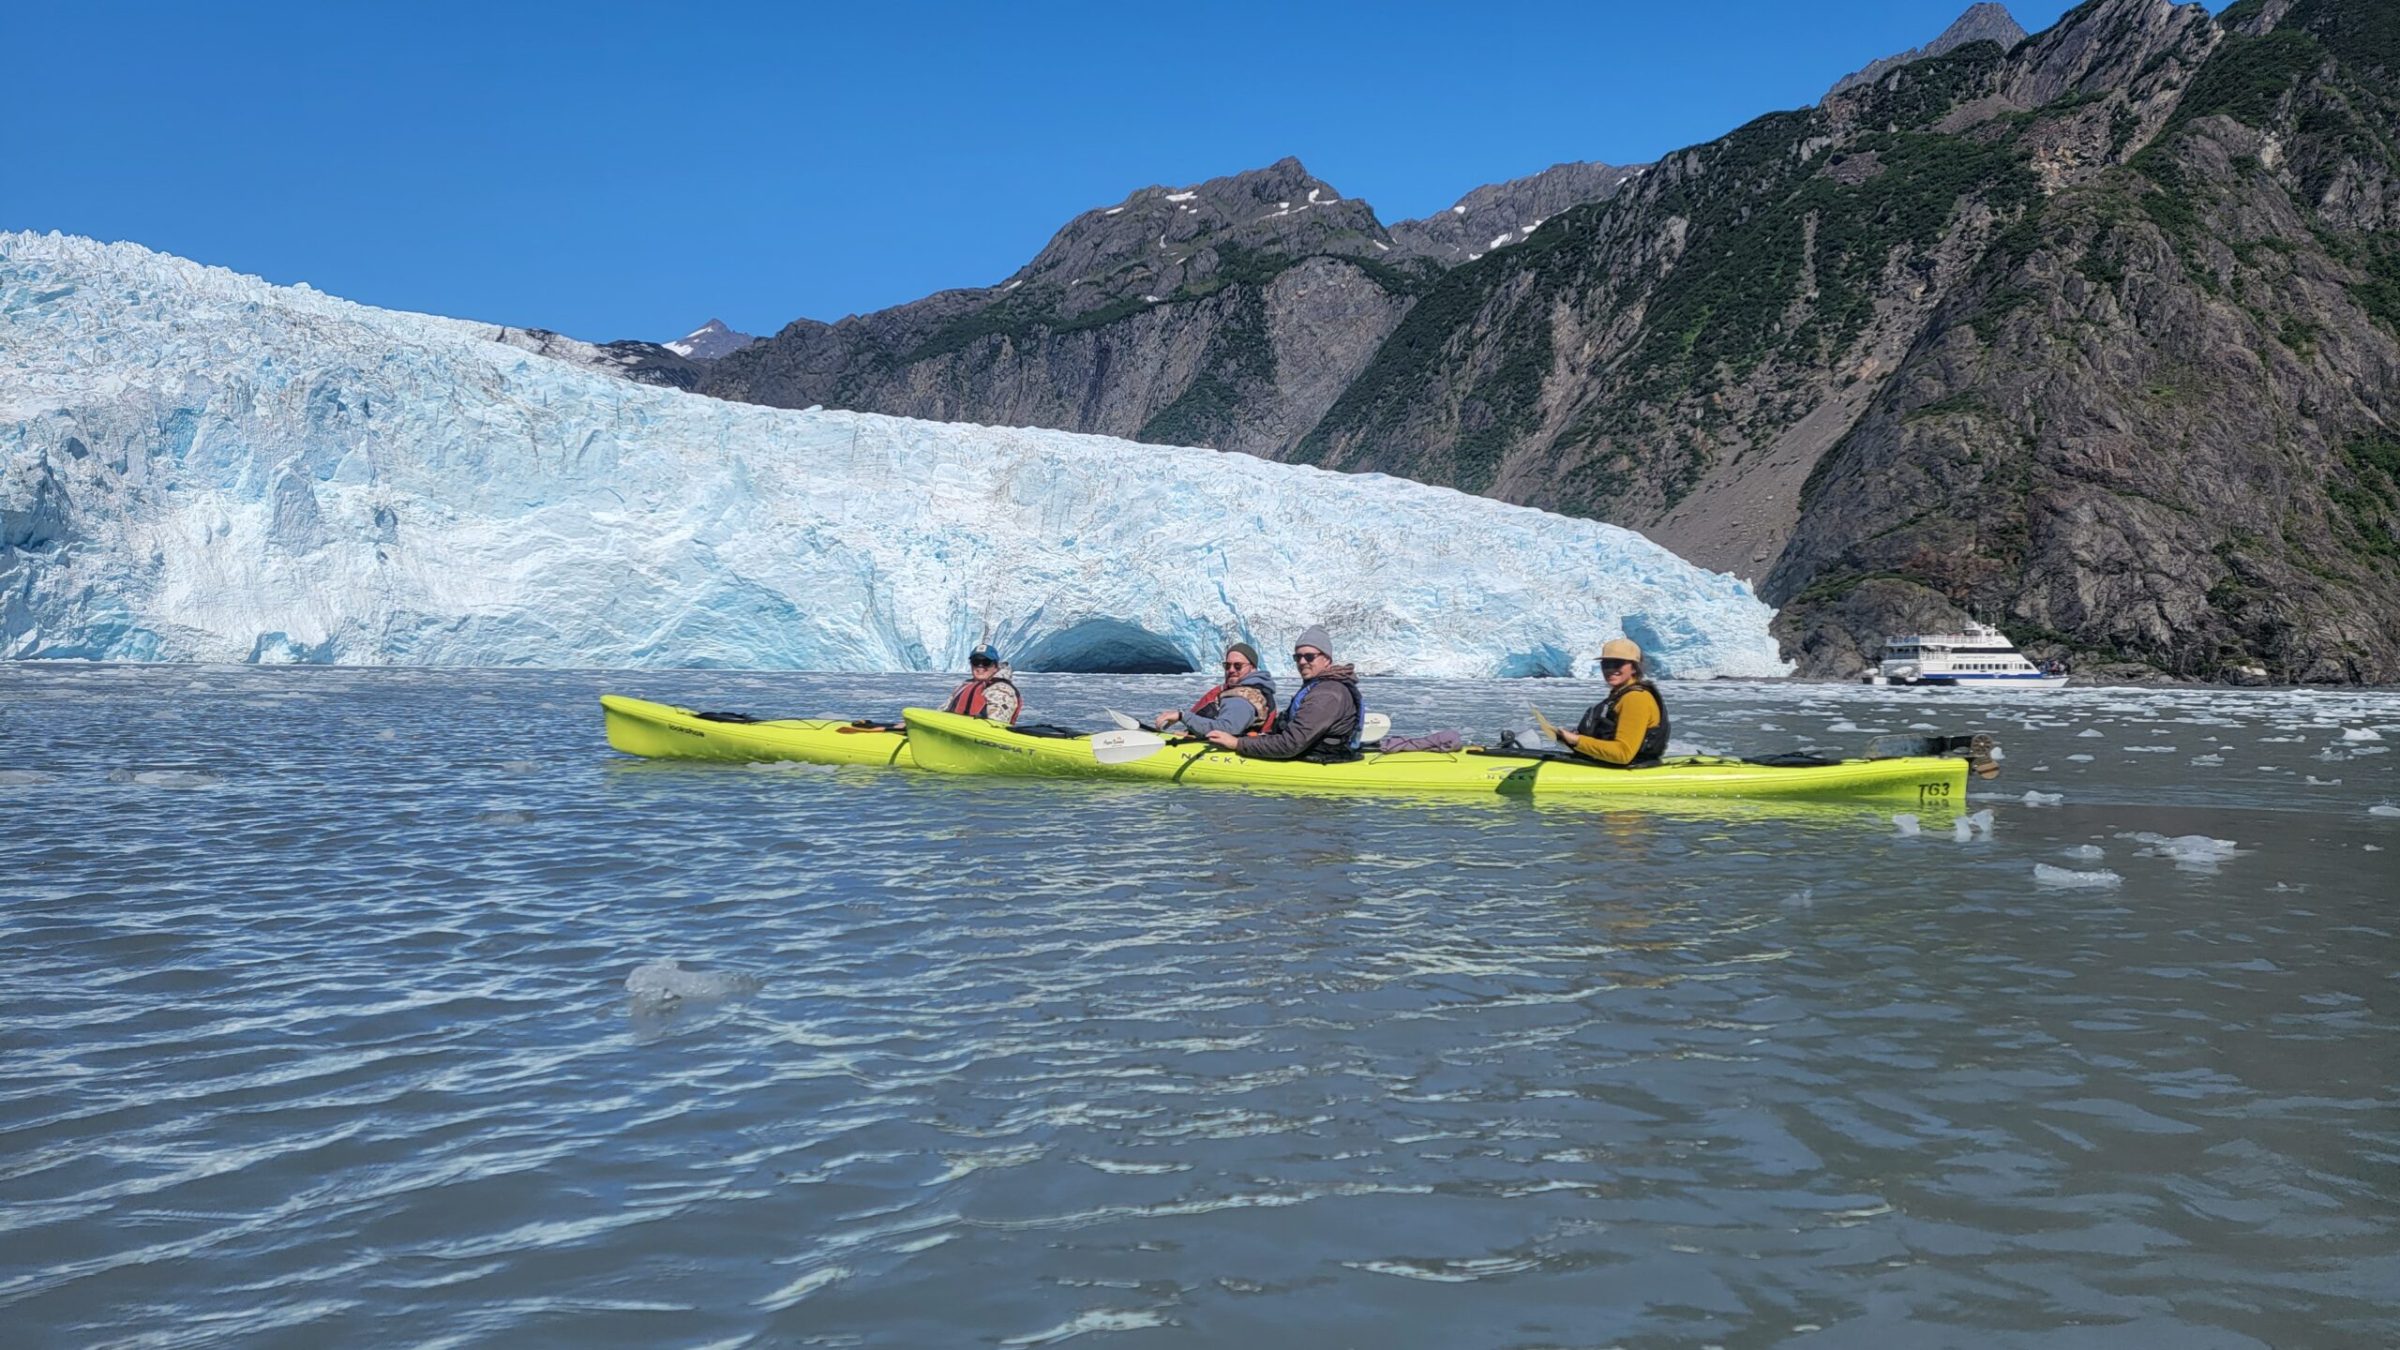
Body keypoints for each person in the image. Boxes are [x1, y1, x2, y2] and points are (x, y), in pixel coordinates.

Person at [1207, 625, 1361, 761]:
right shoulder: (1319, 686)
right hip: (1312, 750)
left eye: (1309, 656)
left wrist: (1237, 743)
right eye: (1297, 657)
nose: (1301, 662)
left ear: (1326, 659)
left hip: (1321, 756)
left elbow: (1291, 744)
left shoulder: (1328, 693)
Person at [1552, 637, 1669, 766]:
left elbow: (1623, 754)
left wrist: (1577, 740)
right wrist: (1569, 739)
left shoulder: (1636, 698)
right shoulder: (1620, 695)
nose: (1610, 669)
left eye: (1618, 663)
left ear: (1634, 668)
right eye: (1606, 664)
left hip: (1630, 768)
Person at [1156, 643, 1277, 738]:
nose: (1231, 670)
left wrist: (1182, 716)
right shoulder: (1258, 689)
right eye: (1227, 665)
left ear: (1252, 668)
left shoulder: (1242, 698)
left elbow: (1227, 729)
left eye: (1238, 665)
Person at [945, 643, 1022, 724]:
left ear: (995, 666)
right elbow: (943, 710)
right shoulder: (964, 686)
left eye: (986, 662)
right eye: (976, 662)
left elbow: (996, 723)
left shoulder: (1002, 690)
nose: (980, 666)